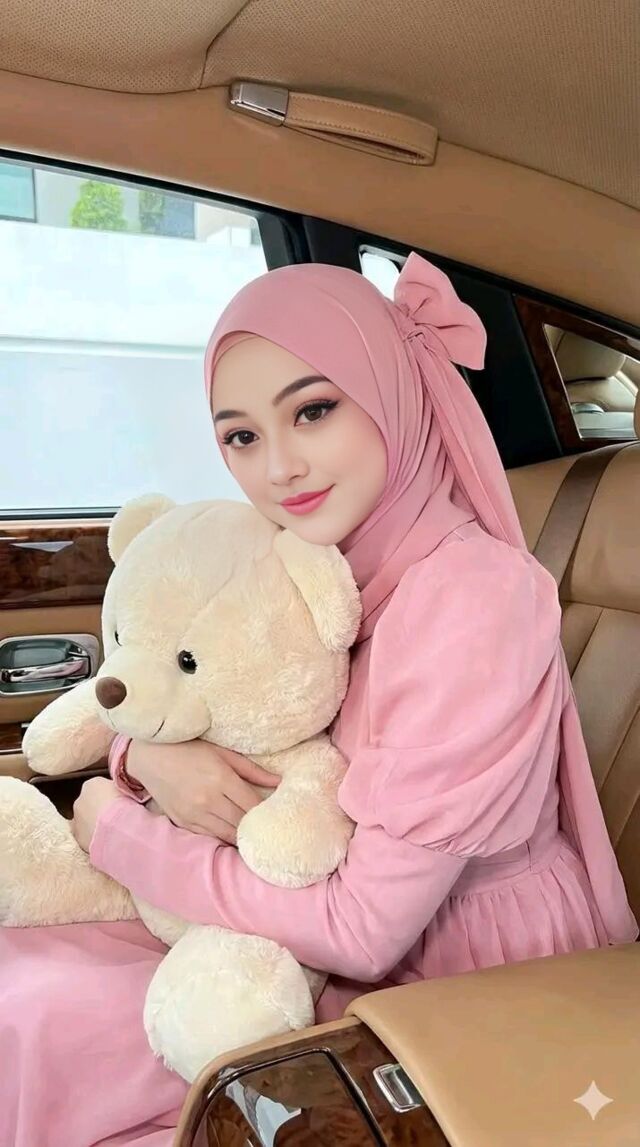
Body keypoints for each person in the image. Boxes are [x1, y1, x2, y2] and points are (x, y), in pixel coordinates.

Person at [1, 255, 636, 1147]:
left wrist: (118, 831)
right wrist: (145, 756)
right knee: (25, 993)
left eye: (313, 411)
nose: (279, 467)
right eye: (241, 436)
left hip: (458, 975)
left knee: (41, 1033)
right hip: (288, 910)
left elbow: (366, 929)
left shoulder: (471, 601)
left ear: (388, 394)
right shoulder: (305, 550)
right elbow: (186, 679)